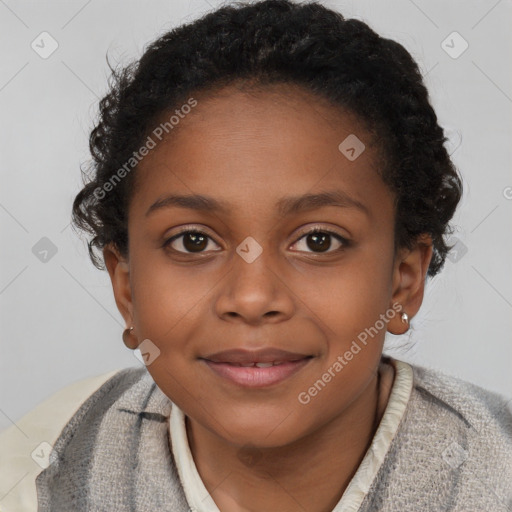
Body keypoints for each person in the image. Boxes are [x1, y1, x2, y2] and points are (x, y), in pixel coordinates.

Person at [1, 1, 511, 510]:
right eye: (193, 241)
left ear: (404, 280)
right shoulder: (39, 475)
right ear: (127, 288)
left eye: (318, 240)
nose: (251, 298)